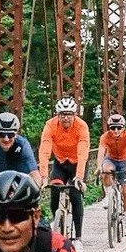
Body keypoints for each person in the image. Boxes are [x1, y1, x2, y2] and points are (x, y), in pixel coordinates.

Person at [38, 96, 91, 242]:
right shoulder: (50, 125)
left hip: (77, 164)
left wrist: (79, 177)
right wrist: (43, 176)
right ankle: (57, 221)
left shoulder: (81, 126)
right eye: (62, 114)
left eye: (69, 114)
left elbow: (82, 153)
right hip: (60, 162)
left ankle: (78, 238)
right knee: (55, 190)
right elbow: (44, 150)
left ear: (75, 115)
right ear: (57, 115)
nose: (65, 118)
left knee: (75, 195)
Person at [97, 112, 126, 216]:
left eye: (119, 128)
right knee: (106, 170)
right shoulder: (105, 137)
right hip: (111, 159)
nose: (116, 131)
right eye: (113, 128)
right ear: (109, 128)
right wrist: (99, 166)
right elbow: (101, 152)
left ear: (124, 128)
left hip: (124, 161)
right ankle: (108, 196)